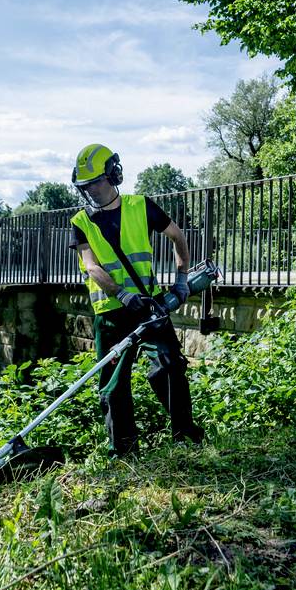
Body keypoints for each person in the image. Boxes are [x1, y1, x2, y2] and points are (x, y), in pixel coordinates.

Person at [68, 143, 204, 457]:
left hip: (151, 307)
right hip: (113, 312)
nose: (90, 191)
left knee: (168, 366)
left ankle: (185, 437)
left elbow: (177, 236)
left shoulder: (140, 206)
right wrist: (122, 294)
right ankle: (124, 453)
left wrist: (181, 278)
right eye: (84, 187)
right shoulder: (80, 222)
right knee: (114, 385)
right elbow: (91, 266)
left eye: (95, 183)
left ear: (114, 175)